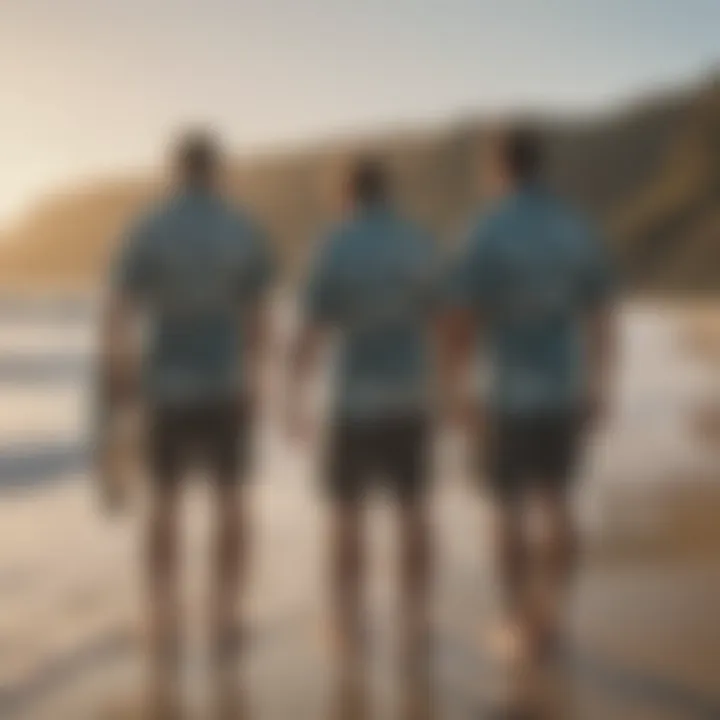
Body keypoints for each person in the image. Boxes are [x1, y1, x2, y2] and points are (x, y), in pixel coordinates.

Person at [98, 130, 274, 708]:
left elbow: (119, 305)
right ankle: (225, 619)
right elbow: (257, 315)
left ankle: (162, 616)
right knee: (230, 500)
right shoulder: (242, 227)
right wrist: (257, 381)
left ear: (175, 170)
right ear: (217, 170)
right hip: (226, 384)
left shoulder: (148, 225)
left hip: (166, 385)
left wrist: (119, 371)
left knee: (165, 503)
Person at [444, 126, 617, 662]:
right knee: (558, 502)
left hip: (503, 392)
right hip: (563, 386)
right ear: (538, 165)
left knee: (507, 509)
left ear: (497, 168)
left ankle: (519, 620)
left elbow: (459, 321)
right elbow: (601, 317)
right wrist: (598, 386)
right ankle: (555, 617)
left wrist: (456, 391)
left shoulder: (483, 230)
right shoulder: (576, 228)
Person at [286, 159, 441, 683]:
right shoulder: (419, 242)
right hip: (412, 397)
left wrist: (293, 394)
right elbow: (445, 320)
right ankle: (415, 621)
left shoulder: (334, 245)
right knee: (413, 510)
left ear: (346, 194)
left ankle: (348, 624)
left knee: (346, 515)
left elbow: (311, 326)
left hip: (351, 401)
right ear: (386, 191)